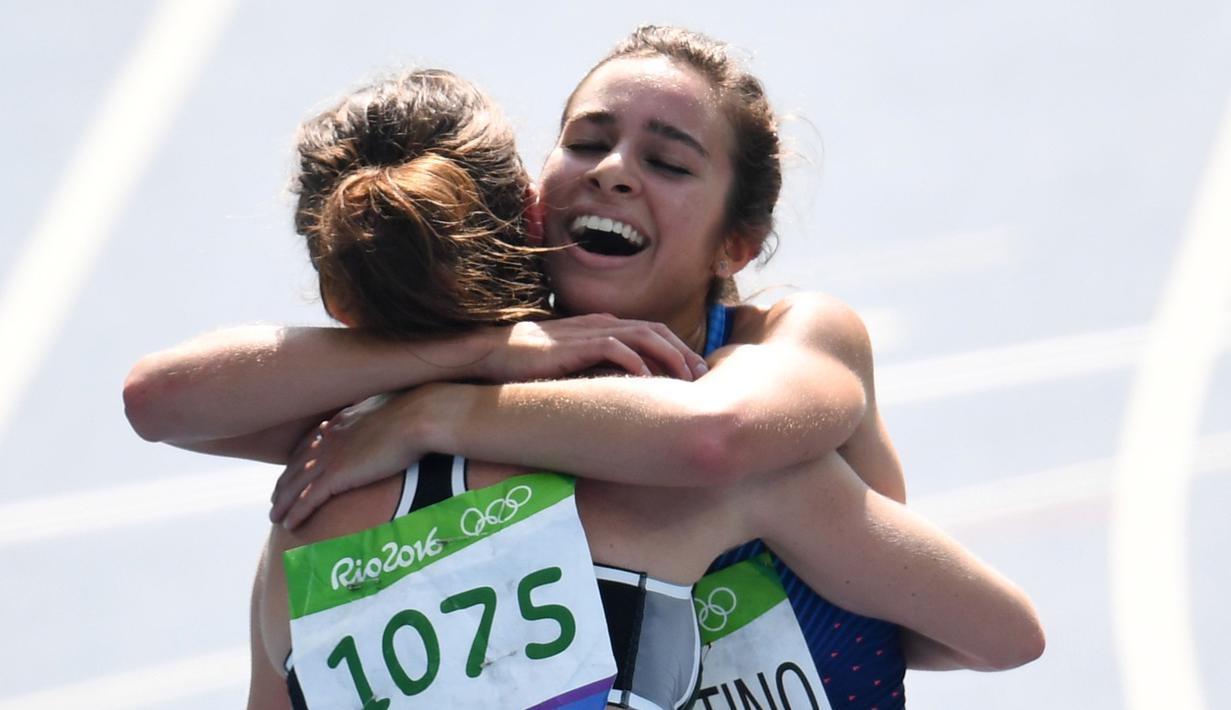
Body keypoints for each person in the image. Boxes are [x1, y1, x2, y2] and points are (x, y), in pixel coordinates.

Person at [125, 28, 1044, 710]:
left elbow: (714, 438)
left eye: (666, 161)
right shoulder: (498, 359)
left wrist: (433, 415)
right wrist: (475, 355)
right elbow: (162, 400)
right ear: (533, 203)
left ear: (737, 241)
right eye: (587, 140)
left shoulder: (781, 347)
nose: (611, 170)